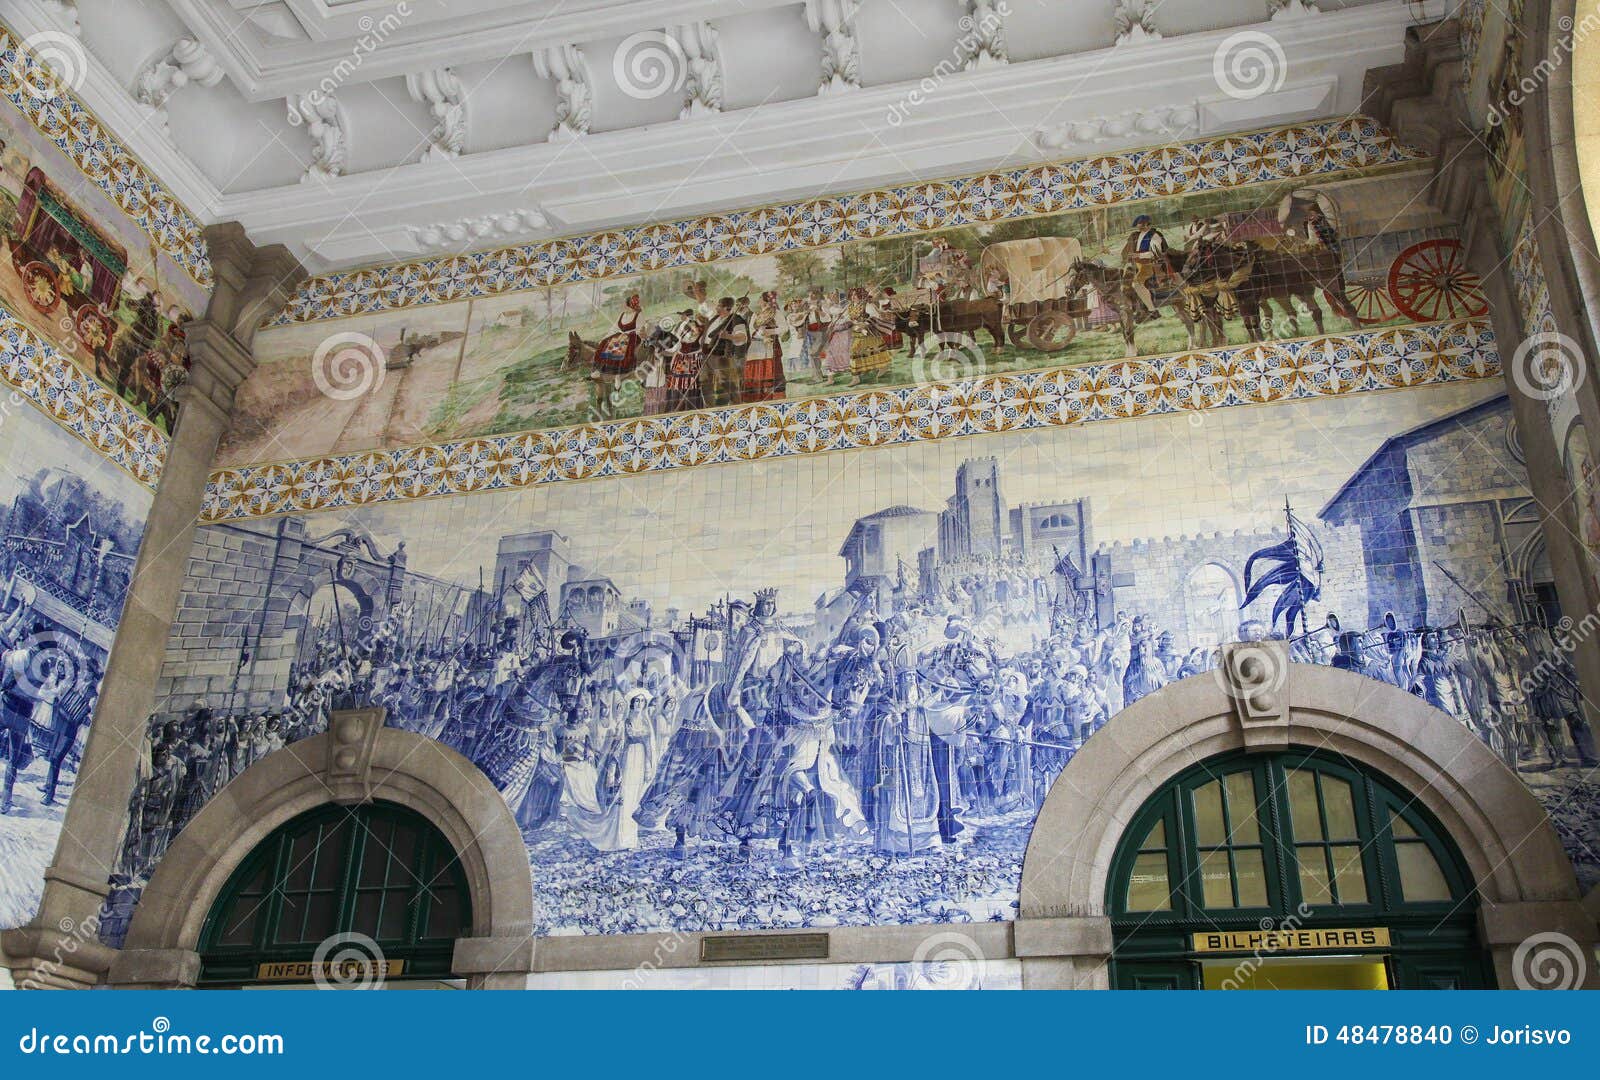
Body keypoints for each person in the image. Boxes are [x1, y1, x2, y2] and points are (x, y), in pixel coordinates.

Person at [1120, 214, 1171, 320]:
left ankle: (1152, 310)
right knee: (1123, 283)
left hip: (1149, 264)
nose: (1139, 228)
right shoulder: (1138, 235)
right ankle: (1136, 309)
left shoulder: (1155, 235)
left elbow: (1155, 253)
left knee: (1137, 284)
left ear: (1147, 224)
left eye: (1141, 225)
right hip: (1136, 264)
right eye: (1138, 226)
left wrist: (1138, 255)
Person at [740, 291, 787, 402]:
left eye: (760, 297)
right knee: (755, 373)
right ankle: (755, 400)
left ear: (766, 300)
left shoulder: (776, 313)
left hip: (770, 345)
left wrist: (769, 332)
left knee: (771, 373)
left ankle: (772, 400)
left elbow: (784, 328)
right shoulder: (756, 314)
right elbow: (751, 330)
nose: (759, 299)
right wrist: (760, 334)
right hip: (756, 347)